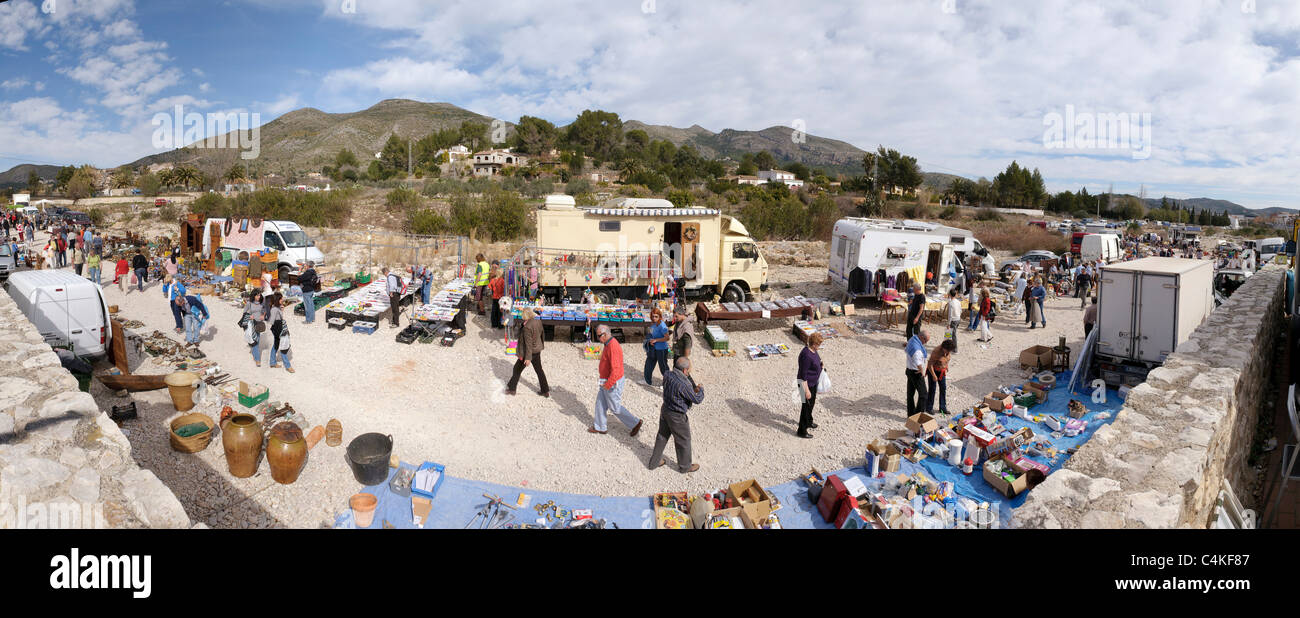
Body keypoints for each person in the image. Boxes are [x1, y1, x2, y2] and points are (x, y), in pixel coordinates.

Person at [648, 355, 703, 473]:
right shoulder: (684, 384)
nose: (689, 372)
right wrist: (701, 390)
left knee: (662, 436)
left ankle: (654, 462)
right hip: (677, 416)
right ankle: (685, 467)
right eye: (689, 370)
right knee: (683, 440)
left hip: (665, 410)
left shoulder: (667, 374)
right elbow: (697, 399)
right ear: (684, 370)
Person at [590, 324, 643, 436]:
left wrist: (608, 384)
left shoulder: (613, 347)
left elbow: (616, 370)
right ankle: (600, 426)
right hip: (606, 380)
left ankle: (635, 423)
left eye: (599, 335)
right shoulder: (608, 343)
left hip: (612, 382)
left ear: (605, 334)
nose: (598, 338)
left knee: (615, 407)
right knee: (600, 403)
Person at [506, 307, 549, 397]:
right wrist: (541, 345)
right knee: (539, 370)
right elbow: (542, 334)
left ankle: (512, 389)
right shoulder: (538, 321)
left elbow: (528, 344)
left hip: (528, 353)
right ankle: (545, 390)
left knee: (517, 369)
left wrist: (528, 358)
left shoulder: (527, 327)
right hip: (537, 350)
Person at [796, 332, 824, 439]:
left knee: (811, 404)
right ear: (814, 344)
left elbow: (816, 360)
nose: (819, 347)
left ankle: (809, 421)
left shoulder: (813, 351)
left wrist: (820, 365)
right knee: (806, 407)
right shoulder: (806, 355)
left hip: (813, 383)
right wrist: (806, 390)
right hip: (805, 384)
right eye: (819, 344)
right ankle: (802, 430)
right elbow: (803, 375)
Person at [926, 339, 956, 415]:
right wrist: (933, 375)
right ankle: (929, 407)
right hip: (933, 371)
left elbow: (946, 360)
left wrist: (946, 366)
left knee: (943, 388)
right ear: (943, 348)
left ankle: (942, 408)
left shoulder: (947, 352)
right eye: (947, 350)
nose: (948, 352)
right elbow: (930, 364)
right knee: (932, 389)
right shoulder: (936, 352)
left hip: (942, 372)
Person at [643, 308, 670, 386]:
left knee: (663, 367)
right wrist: (651, 340)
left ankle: (668, 384)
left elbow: (667, 338)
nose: (654, 318)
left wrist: (656, 340)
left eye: (656, 316)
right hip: (654, 348)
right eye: (653, 316)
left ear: (660, 317)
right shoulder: (654, 324)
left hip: (661, 349)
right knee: (649, 364)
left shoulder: (662, 326)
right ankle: (647, 380)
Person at [267, 294, 293, 373]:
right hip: (278, 329)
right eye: (281, 299)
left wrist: (281, 311)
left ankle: (272, 363)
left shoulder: (277, 307)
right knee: (283, 347)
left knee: (276, 345)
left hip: (278, 328)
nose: (282, 300)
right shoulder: (274, 309)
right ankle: (288, 366)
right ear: (277, 300)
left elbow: (280, 318)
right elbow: (271, 321)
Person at [905, 330, 929, 417]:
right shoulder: (917, 348)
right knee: (923, 395)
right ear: (922, 338)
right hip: (916, 372)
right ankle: (918, 416)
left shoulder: (913, 339)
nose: (925, 343)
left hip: (909, 370)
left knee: (910, 394)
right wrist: (921, 370)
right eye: (925, 341)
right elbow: (917, 361)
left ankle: (910, 414)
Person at [244, 290, 267, 366]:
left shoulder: (261, 303)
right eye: (257, 295)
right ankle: (257, 359)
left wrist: (263, 315)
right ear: (253, 296)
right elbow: (244, 313)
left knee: (257, 341)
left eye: (259, 295)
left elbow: (265, 310)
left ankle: (254, 353)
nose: (258, 297)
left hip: (259, 324)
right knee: (255, 342)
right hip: (251, 324)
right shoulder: (249, 303)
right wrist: (249, 316)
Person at [488, 264, 506, 329]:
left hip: (494, 297)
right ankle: (500, 325)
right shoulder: (502, 280)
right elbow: (504, 288)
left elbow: (489, 287)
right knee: (500, 311)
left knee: (494, 311)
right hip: (500, 297)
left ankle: (494, 323)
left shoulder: (492, 280)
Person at [946, 288, 961, 353]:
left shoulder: (950, 303)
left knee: (952, 335)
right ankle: (948, 346)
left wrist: (948, 323)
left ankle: (955, 349)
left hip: (953, 320)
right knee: (950, 334)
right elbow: (961, 311)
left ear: (950, 294)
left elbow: (950, 315)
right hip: (958, 319)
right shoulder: (958, 301)